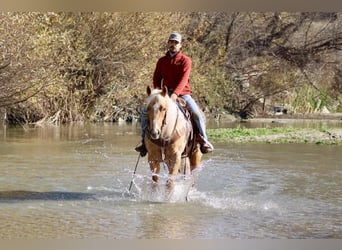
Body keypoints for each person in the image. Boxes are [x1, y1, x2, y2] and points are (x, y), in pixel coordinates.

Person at [135, 31, 214, 157]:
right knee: (145, 112)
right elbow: (156, 78)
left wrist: (175, 94)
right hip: (164, 94)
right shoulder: (161, 61)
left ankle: (203, 140)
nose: (173, 44)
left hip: (183, 94)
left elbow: (183, 80)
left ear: (180, 45)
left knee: (196, 113)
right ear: (168, 43)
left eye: (176, 42)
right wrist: (158, 94)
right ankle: (144, 142)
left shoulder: (186, 61)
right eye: (171, 42)